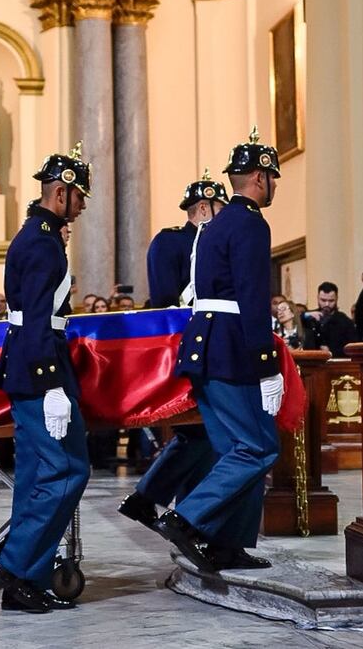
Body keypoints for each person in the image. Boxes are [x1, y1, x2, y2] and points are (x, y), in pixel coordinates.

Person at [156, 128, 284, 573]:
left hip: (204, 346)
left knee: (235, 449)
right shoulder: (249, 223)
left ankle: (227, 542)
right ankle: (188, 518)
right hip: (232, 347)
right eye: (273, 178)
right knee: (258, 448)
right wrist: (267, 363)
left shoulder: (213, 225)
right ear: (259, 178)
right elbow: (252, 294)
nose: (274, 188)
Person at [0, 144, 92, 614]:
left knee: (35, 476)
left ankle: (26, 578)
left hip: (30, 364)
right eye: (80, 196)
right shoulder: (42, 244)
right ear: (61, 192)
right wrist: (51, 385)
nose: (83, 206)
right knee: (67, 470)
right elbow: (35, 321)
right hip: (38, 365)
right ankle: (16, 564)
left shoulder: (38, 236)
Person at [120, 171, 227, 534]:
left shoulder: (214, 242)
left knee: (202, 434)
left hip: (208, 344)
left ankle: (170, 508)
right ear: (202, 207)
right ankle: (167, 507)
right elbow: (167, 300)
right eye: (219, 207)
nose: (223, 214)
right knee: (200, 432)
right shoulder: (170, 242)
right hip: (182, 345)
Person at [301, 282, 357, 357]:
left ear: (337, 299)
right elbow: (295, 320)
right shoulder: (309, 317)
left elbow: (351, 348)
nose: (327, 304)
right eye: (323, 300)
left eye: (331, 301)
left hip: (336, 363)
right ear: (317, 298)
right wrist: (306, 315)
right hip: (310, 362)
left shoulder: (345, 321)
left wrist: (331, 352)